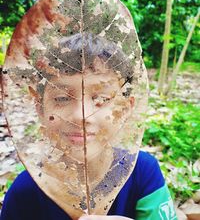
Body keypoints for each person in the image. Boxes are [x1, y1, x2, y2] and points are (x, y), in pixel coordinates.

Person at [1, 33, 177, 220]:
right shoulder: (25, 191)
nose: (81, 115)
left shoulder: (142, 172)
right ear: (40, 108)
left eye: (101, 99)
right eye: (61, 98)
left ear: (125, 108)